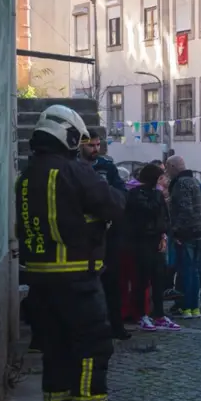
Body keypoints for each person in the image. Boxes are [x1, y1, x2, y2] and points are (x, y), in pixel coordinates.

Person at [17, 104, 130, 401]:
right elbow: (113, 204)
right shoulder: (73, 171)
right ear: (66, 136)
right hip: (76, 276)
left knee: (55, 344)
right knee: (93, 343)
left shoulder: (26, 176)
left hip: (38, 279)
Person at [80, 134, 130, 340]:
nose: (95, 148)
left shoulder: (107, 167)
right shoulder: (73, 167)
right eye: (91, 145)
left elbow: (121, 192)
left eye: (98, 144)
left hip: (108, 232)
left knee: (112, 279)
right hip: (84, 236)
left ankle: (116, 325)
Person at [124, 163, 180, 332]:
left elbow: (165, 217)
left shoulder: (157, 195)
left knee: (158, 279)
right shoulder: (136, 194)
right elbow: (146, 212)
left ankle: (159, 314)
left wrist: (164, 235)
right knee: (141, 280)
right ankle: (141, 314)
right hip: (141, 242)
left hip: (156, 240)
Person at [165, 155, 201, 318]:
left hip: (187, 234)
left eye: (167, 168)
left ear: (172, 167)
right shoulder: (194, 181)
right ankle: (194, 308)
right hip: (199, 231)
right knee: (195, 271)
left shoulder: (181, 184)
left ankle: (186, 308)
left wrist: (176, 231)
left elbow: (185, 210)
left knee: (186, 272)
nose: (167, 172)